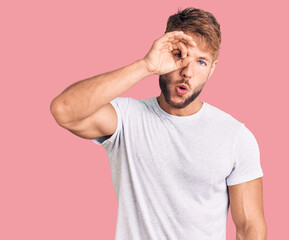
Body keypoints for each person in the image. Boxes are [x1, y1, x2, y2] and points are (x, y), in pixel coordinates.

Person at [50, 7, 267, 240]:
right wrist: (146, 66)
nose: (187, 72)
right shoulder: (127, 119)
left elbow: (249, 227)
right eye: (180, 55)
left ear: (212, 69)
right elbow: (64, 110)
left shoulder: (234, 136)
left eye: (201, 62)